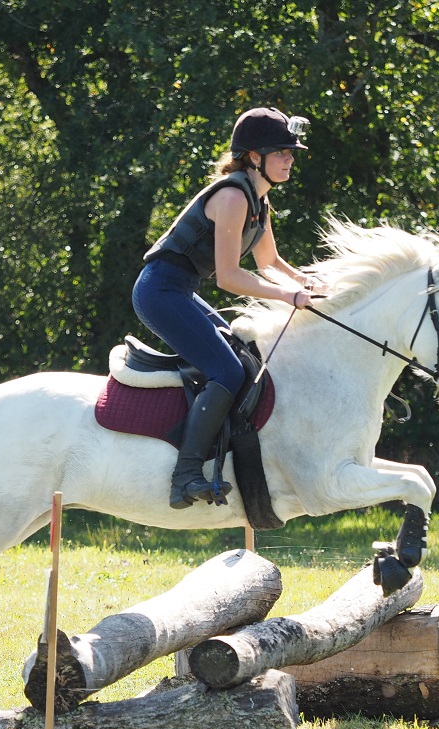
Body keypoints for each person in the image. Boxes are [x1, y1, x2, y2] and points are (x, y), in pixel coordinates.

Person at [133, 107, 320, 509]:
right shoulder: (234, 196)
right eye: (283, 152)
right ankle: (184, 477)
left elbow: (270, 263)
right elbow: (230, 278)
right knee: (228, 370)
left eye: (292, 152)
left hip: (178, 289)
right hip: (160, 291)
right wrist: (288, 297)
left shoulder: (259, 201)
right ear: (255, 157)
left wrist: (306, 281)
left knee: (239, 355)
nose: (291, 158)